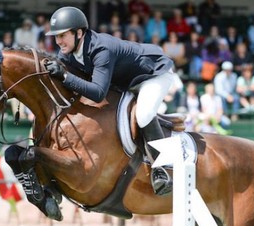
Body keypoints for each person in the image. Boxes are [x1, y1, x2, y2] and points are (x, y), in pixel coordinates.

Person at [45, 6, 177, 196]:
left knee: (144, 114)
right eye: (56, 37)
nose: (58, 41)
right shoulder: (67, 52)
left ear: (79, 33)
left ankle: (162, 169)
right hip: (125, 82)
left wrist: (65, 76)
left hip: (152, 74)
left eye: (63, 35)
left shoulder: (101, 48)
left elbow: (98, 92)